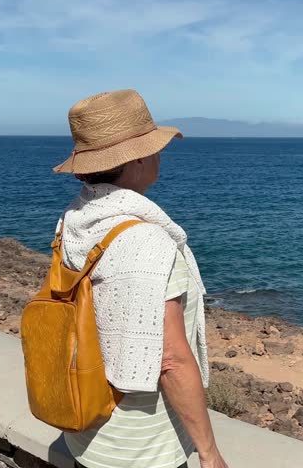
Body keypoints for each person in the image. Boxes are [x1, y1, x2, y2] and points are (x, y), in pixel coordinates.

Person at [51, 89, 228, 468]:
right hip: (144, 450)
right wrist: (209, 453)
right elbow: (171, 360)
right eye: (154, 148)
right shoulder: (148, 243)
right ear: (138, 160)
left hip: (88, 429)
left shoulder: (76, 220)